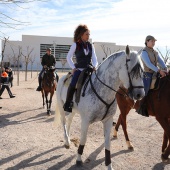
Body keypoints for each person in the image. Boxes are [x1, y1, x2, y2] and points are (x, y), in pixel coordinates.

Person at [63, 24, 98, 113]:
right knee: (73, 83)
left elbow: (94, 58)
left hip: (89, 69)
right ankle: (68, 103)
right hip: (79, 69)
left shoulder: (91, 45)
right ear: (82, 34)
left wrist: (95, 66)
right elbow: (68, 57)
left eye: (89, 34)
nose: (88, 36)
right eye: (87, 34)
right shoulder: (76, 45)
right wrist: (73, 67)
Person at [136, 35, 167, 117]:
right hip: (146, 73)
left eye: (154, 41)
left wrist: (165, 68)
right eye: (152, 41)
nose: (153, 43)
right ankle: (141, 106)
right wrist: (159, 70)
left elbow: (160, 61)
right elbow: (148, 64)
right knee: (146, 88)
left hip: (155, 72)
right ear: (147, 42)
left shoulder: (154, 52)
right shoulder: (144, 52)